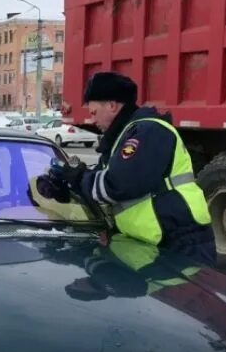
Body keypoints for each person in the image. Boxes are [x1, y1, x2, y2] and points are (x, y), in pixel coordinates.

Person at [49, 71, 216, 266]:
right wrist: (67, 188)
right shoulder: (123, 138)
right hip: (150, 245)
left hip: (181, 243)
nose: (92, 120)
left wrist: (79, 178)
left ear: (112, 105)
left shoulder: (147, 131)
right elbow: (101, 183)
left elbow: (117, 184)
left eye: (94, 112)